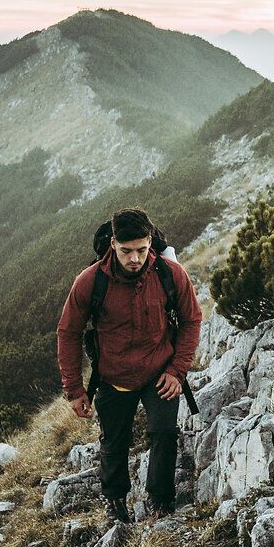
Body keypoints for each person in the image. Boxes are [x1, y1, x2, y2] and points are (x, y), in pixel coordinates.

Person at [55, 206, 203, 522]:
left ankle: (160, 503)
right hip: (113, 376)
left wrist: (177, 370)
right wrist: (74, 390)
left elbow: (192, 319)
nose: (134, 258)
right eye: (126, 251)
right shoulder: (90, 282)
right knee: (114, 442)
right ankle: (115, 503)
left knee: (164, 433)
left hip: (159, 372)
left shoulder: (170, 274)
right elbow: (68, 332)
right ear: (113, 245)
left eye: (141, 250)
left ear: (150, 243)